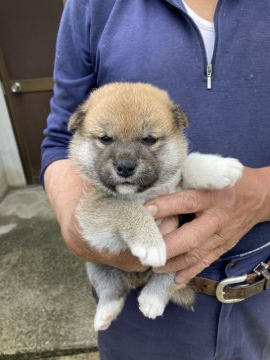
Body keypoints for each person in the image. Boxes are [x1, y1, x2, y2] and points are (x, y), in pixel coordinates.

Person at [41, 0, 270, 359]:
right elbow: (59, 138)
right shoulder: (92, 6)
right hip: (137, 319)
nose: (126, 162)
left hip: (262, 293)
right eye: (106, 141)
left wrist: (264, 194)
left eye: (149, 141)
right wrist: (80, 228)